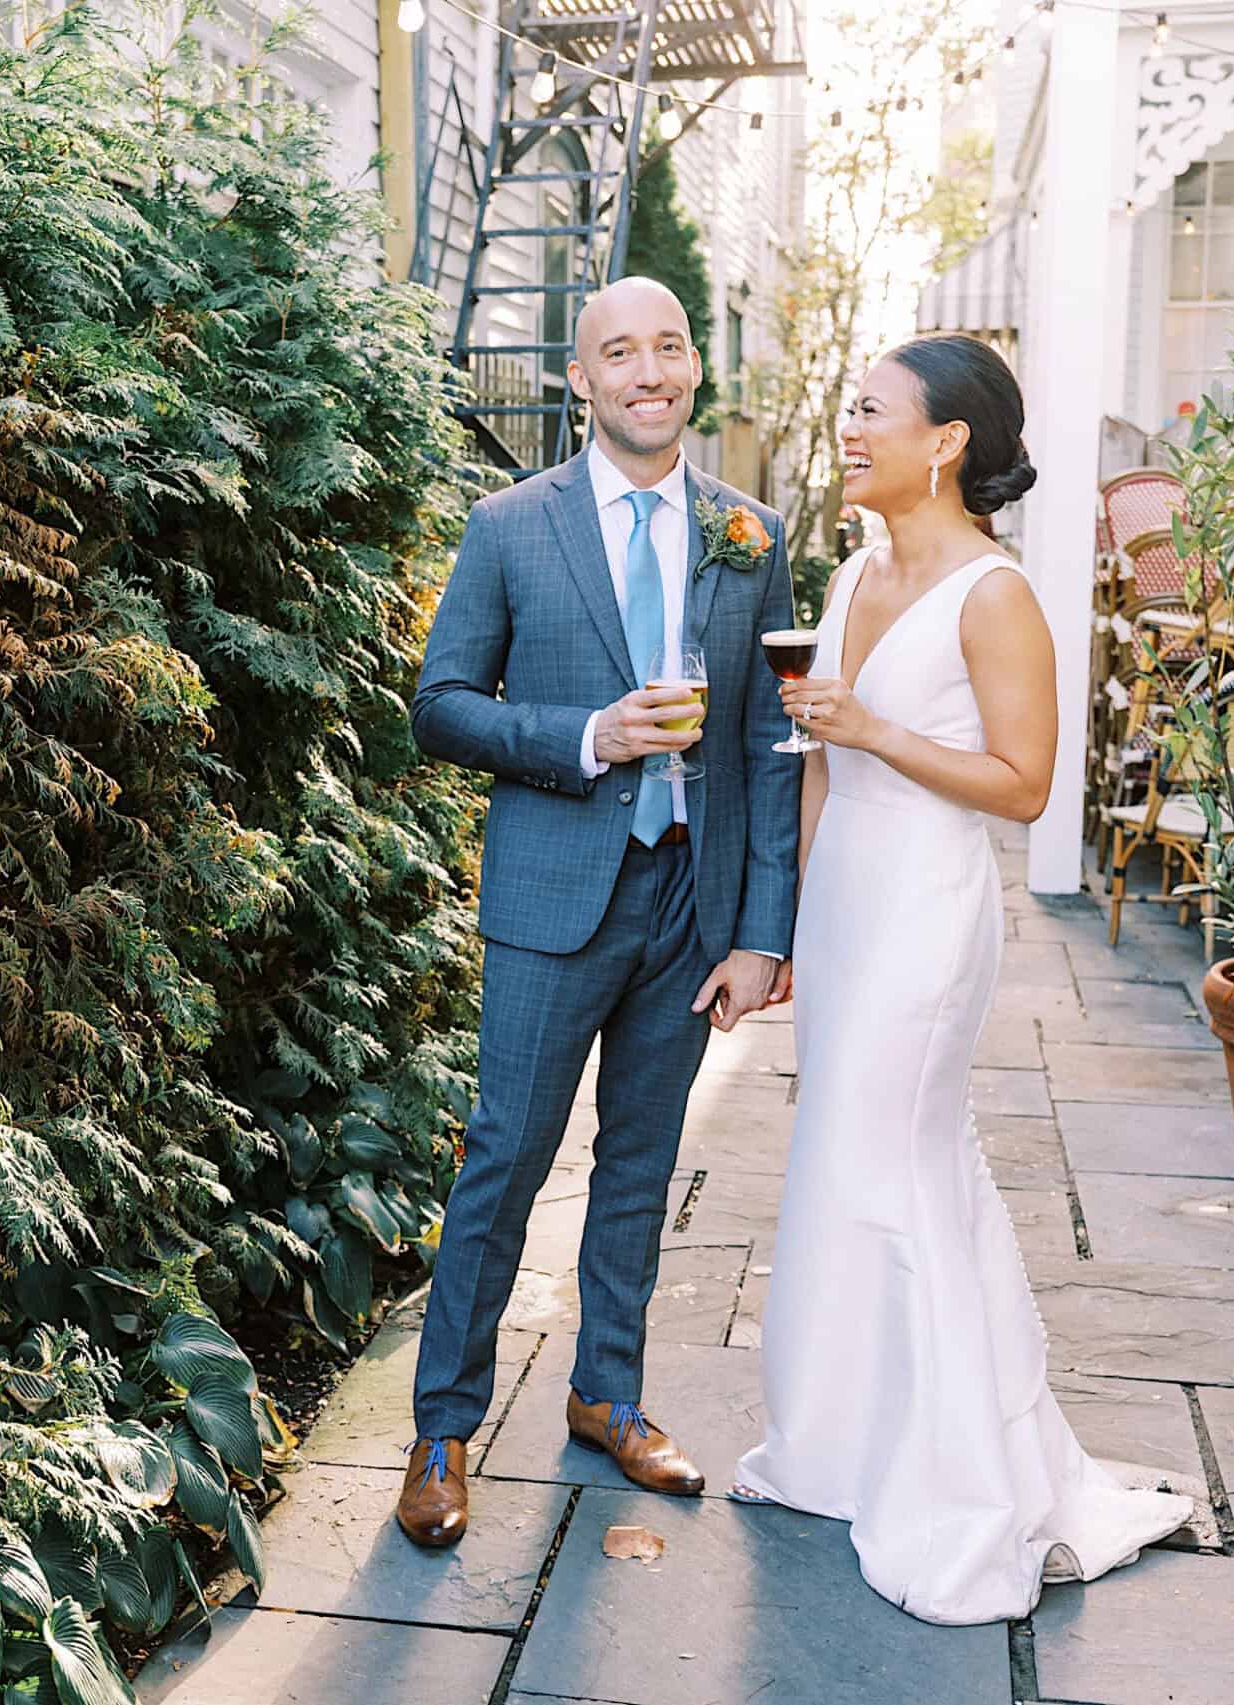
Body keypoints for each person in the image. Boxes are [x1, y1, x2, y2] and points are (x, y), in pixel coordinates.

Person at [731, 334, 1195, 1622]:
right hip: (845, 913)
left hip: (929, 918)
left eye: (871, 411)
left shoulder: (995, 596)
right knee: (836, 1163)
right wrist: (792, 919)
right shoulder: (849, 571)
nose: (849, 427)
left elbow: (1026, 784)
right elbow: (814, 761)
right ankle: (834, 1449)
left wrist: (876, 727)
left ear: (944, 442)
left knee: (894, 1165)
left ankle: (955, 1487)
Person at [397, 276, 800, 1548]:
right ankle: (444, 1428)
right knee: (504, 1158)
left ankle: (607, 1395)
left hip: (690, 897)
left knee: (638, 1164)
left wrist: (763, 929)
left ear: (691, 370)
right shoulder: (512, 524)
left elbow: (768, 741)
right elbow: (440, 703)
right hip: (552, 894)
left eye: (667, 347)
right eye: (616, 352)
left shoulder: (751, 533)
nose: (646, 370)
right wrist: (585, 733)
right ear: (580, 379)